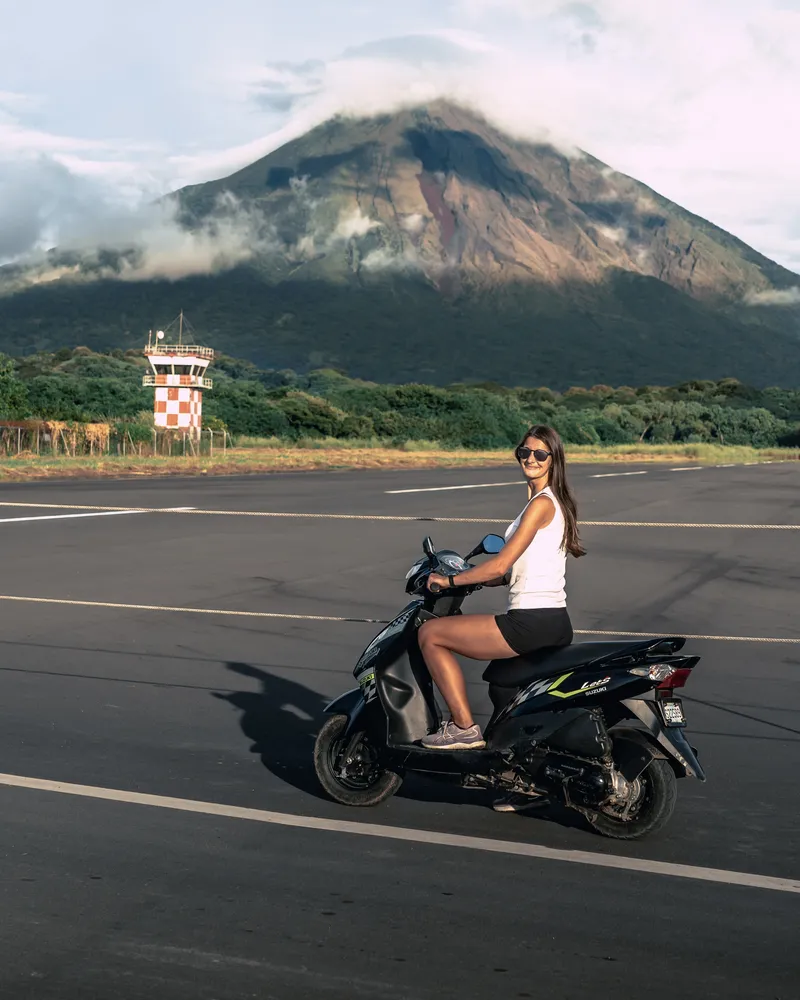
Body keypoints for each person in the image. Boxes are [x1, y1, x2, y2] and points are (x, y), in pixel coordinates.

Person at [418, 424, 585, 767]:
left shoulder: (541, 504)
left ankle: (463, 728)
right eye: (525, 452)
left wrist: (449, 582)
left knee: (430, 634)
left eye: (540, 454)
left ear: (554, 460)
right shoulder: (556, 503)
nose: (531, 459)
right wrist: (477, 581)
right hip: (555, 620)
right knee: (502, 686)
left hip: (530, 621)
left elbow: (499, 565)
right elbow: (513, 571)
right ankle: (520, 773)